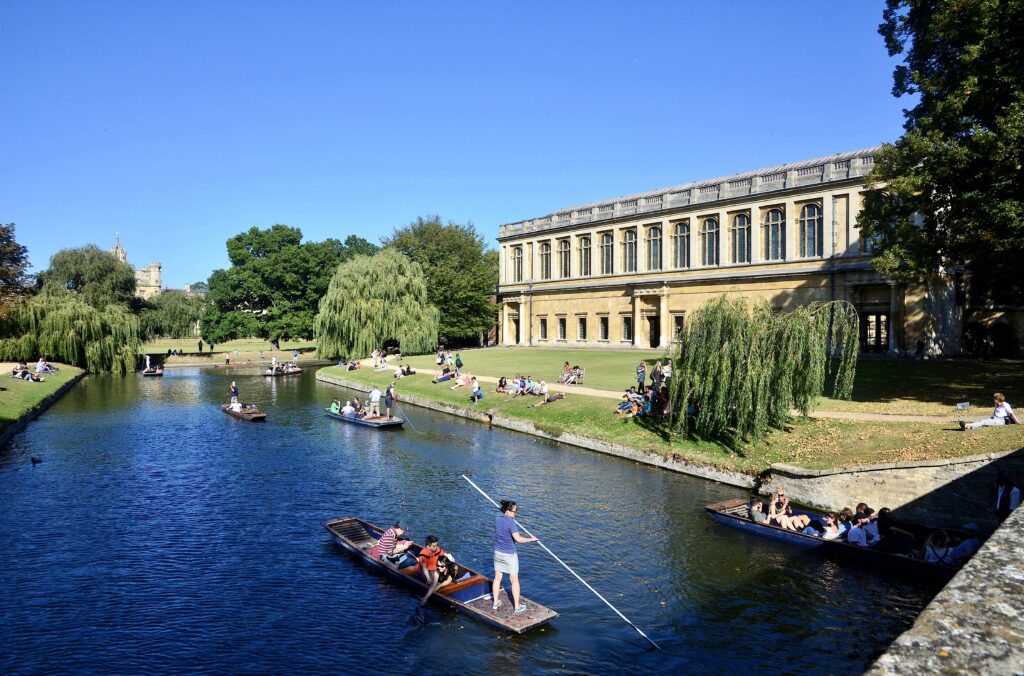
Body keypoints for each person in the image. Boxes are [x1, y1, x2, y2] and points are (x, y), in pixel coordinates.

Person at [491, 499, 539, 616]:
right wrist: (531, 539)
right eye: (515, 511)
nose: (516, 513)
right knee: (514, 580)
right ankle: (517, 607)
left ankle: (495, 602)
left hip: (498, 552)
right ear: (508, 511)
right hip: (509, 554)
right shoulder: (511, 522)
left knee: (497, 578)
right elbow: (518, 539)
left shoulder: (497, 520)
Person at [416, 535, 447, 606]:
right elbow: (424, 569)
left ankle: (437, 584)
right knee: (434, 581)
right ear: (428, 546)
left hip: (436, 569)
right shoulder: (423, 555)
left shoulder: (437, 549)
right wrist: (428, 578)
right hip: (426, 572)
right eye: (434, 546)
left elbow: (444, 554)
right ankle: (425, 598)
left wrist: (449, 558)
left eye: (437, 545)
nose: (436, 547)